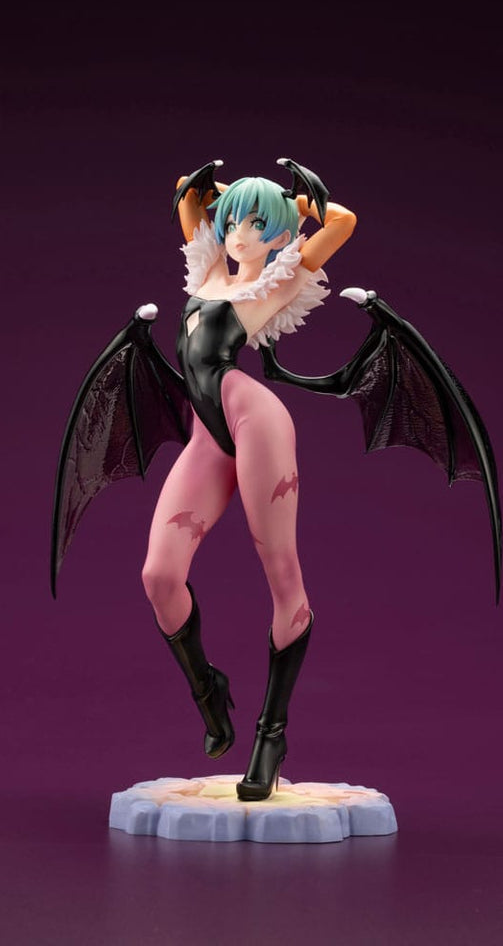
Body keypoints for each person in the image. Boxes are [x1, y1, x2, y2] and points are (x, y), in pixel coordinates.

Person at [140, 162, 356, 800]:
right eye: (234, 220)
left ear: (279, 235)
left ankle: (271, 734)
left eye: (258, 225)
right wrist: (219, 192)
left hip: (256, 422)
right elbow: (186, 196)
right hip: (209, 434)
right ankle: (208, 689)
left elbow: (343, 222)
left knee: (282, 574)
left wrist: (296, 204)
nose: (239, 233)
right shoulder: (208, 268)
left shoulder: (274, 283)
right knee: (159, 576)